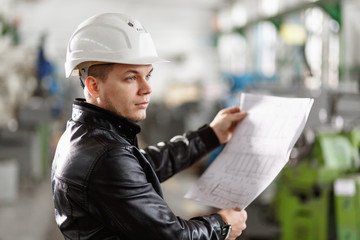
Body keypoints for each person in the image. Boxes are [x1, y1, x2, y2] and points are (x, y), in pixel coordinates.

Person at [51, 12, 247, 240]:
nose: (147, 88)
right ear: (94, 87)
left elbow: (141, 167)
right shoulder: (106, 155)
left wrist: (211, 135)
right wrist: (222, 225)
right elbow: (172, 236)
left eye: (148, 75)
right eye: (131, 78)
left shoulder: (84, 135)